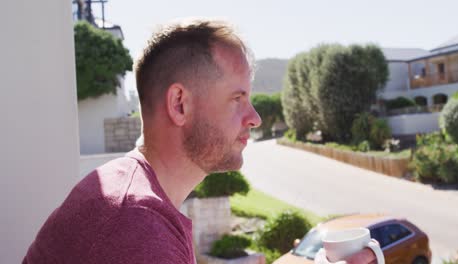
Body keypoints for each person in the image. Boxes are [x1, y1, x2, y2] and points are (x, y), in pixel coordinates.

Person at [23, 18, 378, 264]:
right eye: (237, 99)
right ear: (180, 104)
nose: (254, 117)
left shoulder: (128, 192)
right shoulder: (136, 226)